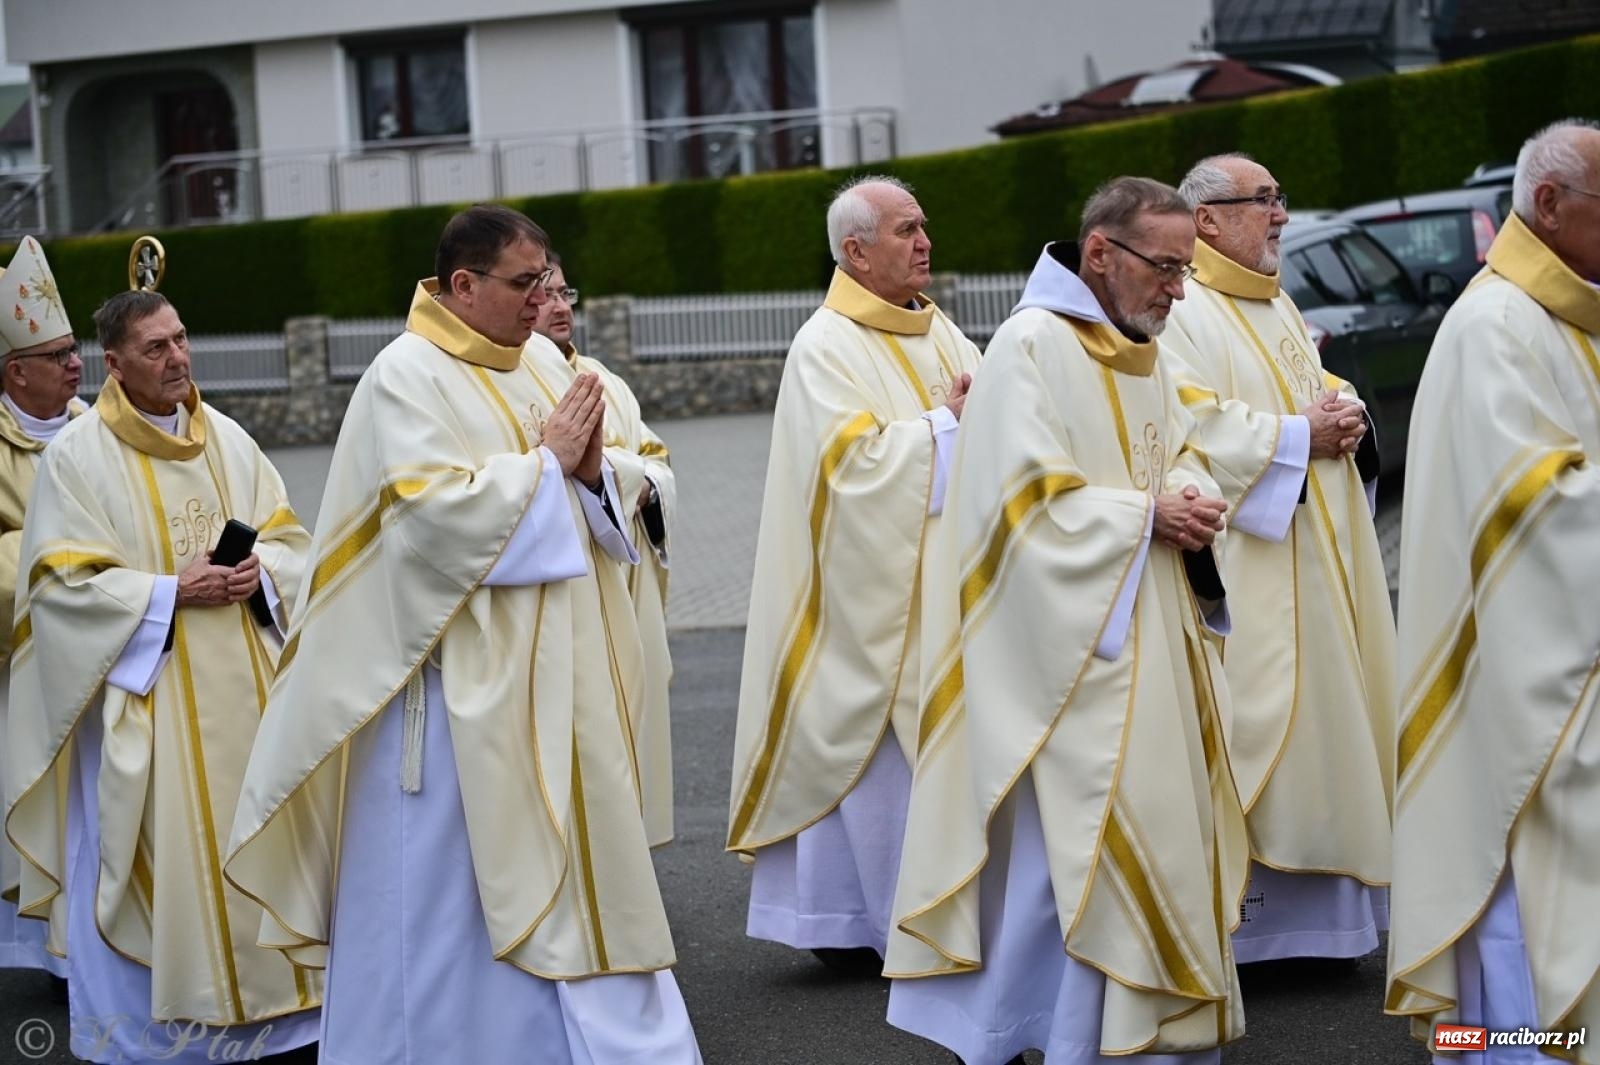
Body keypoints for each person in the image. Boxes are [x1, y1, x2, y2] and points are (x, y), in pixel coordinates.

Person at [224, 203, 702, 1065]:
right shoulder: (405, 374)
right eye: (526, 284)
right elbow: (426, 523)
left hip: (560, 682)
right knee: (449, 909)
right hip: (450, 701)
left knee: (586, 880)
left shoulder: (541, 367)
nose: (541, 301)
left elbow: (613, 482)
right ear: (462, 285)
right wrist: (549, 465)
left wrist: (595, 472)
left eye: (547, 282)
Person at [884, 177, 1248, 1065]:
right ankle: (1065, 1035)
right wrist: (1143, 516)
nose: (1178, 288)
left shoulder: (1143, 348)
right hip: (1069, 662)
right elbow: (1017, 506)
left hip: (1146, 635)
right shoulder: (1029, 346)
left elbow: (1180, 451)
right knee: (1077, 860)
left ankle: (1123, 1029)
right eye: (1165, 266)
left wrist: (1190, 499)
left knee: (1129, 845)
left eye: (1185, 269)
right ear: (1100, 253)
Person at [5, 286, 316, 1063]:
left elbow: (291, 538)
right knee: (160, 868)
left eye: (180, 339)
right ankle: (157, 1038)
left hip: (247, 700)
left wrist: (263, 575)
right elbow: (57, 588)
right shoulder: (77, 460)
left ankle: (281, 1019)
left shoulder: (232, 441)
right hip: (150, 706)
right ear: (113, 364)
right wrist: (166, 592)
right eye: (156, 348)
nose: (178, 357)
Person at [726, 175, 982, 969]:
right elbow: (849, 470)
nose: (925, 242)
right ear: (855, 250)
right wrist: (951, 424)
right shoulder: (824, 345)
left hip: (948, 587)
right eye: (907, 230)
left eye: (925, 226)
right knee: (873, 765)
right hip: (862, 596)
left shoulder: (941, 332)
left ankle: (947, 910)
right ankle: (851, 923)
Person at [1386, 118, 1600, 1062]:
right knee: (1533, 908)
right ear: (1548, 206)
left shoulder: (1563, 311)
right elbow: (1537, 512)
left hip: (1568, 661)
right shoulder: (1495, 325)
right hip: (1524, 690)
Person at [1161, 153, 1396, 963]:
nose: (1282, 216)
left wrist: (1346, 410)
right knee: (1262, 731)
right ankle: (1253, 928)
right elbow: (1189, 423)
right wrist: (1302, 435)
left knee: (1333, 724)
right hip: (1252, 574)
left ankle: (1328, 927)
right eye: (1264, 201)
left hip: (1314, 562)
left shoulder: (1274, 301)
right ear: (1207, 221)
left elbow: (1310, 380)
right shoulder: (1182, 308)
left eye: (1279, 198)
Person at [530, 255, 677, 846]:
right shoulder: (510, 382)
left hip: (623, 580)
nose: (561, 306)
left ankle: (628, 851)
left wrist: (633, 479)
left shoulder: (604, 379)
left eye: (566, 292)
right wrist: (615, 472)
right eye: (542, 294)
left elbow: (657, 462)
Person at [0, 238, 83, 978]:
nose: (75, 363)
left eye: (75, 349)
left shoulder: (97, 426)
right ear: (14, 370)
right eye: (55, 355)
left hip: (99, 657)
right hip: (21, 668)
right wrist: (65, 556)